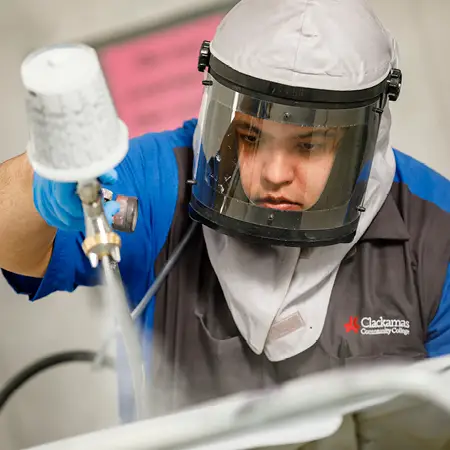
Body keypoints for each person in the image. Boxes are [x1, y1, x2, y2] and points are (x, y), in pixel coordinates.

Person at [1, 0, 449, 423]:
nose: (274, 173)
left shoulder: (435, 233)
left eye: (309, 145)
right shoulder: (161, 186)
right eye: (251, 137)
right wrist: (43, 179)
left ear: (368, 134)